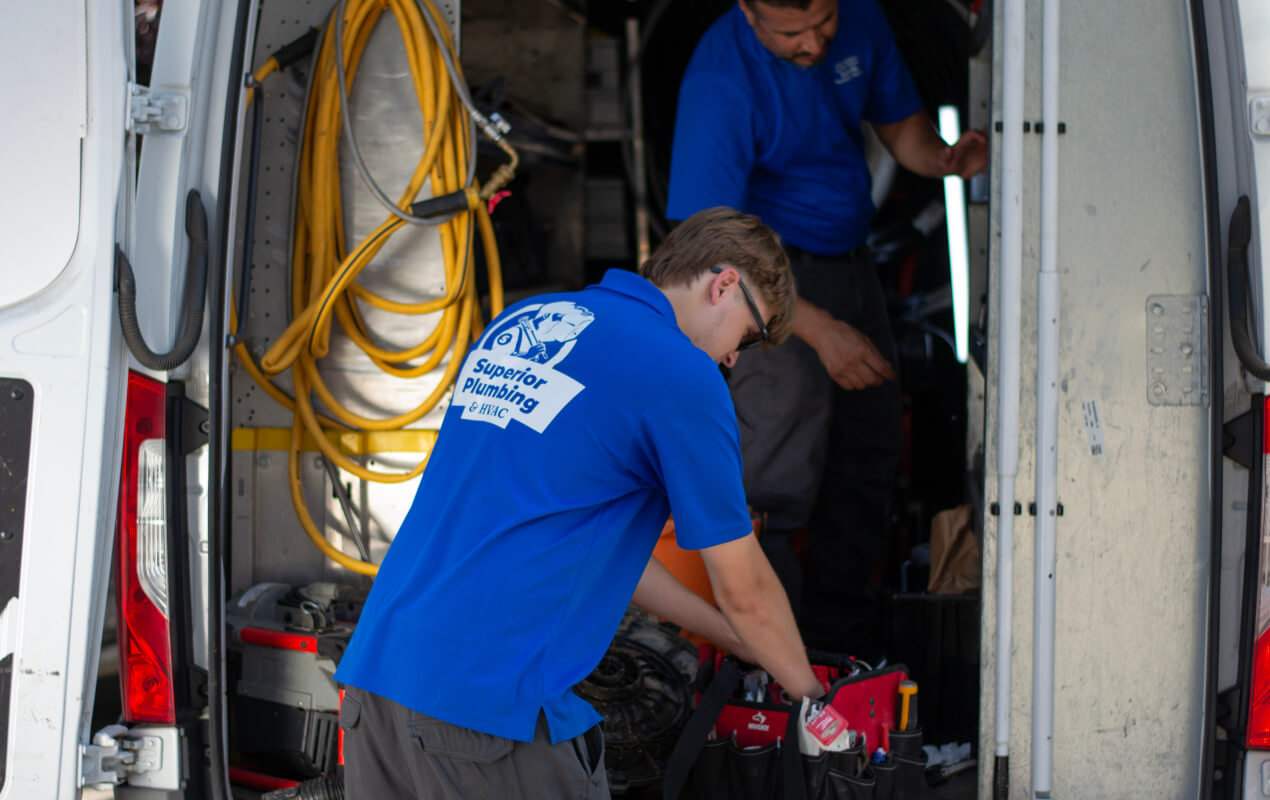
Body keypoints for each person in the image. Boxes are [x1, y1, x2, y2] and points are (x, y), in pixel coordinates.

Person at [334, 207, 825, 799]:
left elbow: (602, 553)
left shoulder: (525, 319)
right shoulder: (681, 375)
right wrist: (815, 704)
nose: (733, 359)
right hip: (486, 715)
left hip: (378, 680)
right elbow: (746, 590)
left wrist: (734, 639)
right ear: (724, 284)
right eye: (748, 335)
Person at [666, 0, 988, 658]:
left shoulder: (862, 18)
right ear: (747, 9)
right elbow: (708, 248)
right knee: (775, 480)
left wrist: (946, 158)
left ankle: (845, 653)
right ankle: (768, 664)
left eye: (824, 22)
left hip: (852, 264)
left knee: (868, 456)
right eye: (792, 33)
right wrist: (817, 329)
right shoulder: (721, 80)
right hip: (761, 283)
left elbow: (901, 128)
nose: (814, 44)